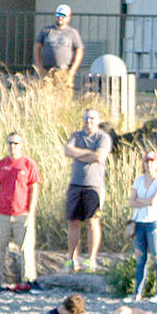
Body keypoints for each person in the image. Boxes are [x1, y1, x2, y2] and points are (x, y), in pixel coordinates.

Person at [0, 132, 42, 288]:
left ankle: (28, 279)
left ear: (21, 145)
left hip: (22, 214)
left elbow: (34, 189)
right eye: (10, 143)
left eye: (16, 143)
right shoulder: (1, 164)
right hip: (1, 214)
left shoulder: (28, 164)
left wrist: (31, 212)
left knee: (25, 248)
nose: (13, 146)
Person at [64, 108, 112, 273]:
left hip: (94, 185)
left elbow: (99, 156)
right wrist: (88, 155)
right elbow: (67, 150)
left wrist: (79, 155)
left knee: (92, 221)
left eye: (92, 118)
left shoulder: (103, 138)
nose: (89, 121)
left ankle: (91, 259)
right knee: (73, 222)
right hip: (75, 184)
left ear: (98, 120)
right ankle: (72, 259)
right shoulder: (76, 136)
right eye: (86, 118)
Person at [129, 150, 157, 300]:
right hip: (139, 222)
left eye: (152, 161)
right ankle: (137, 292)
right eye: (147, 161)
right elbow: (131, 201)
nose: (149, 164)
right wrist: (144, 202)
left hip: (155, 221)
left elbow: (154, 201)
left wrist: (141, 201)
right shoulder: (139, 180)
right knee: (140, 258)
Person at [34, 4, 84, 89]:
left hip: (64, 71)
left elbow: (79, 51)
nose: (60, 17)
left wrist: (72, 70)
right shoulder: (46, 31)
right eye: (58, 15)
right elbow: (37, 48)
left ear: (68, 18)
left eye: (63, 16)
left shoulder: (72, 33)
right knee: (47, 95)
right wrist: (39, 66)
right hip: (47, 71)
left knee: (63, 96)